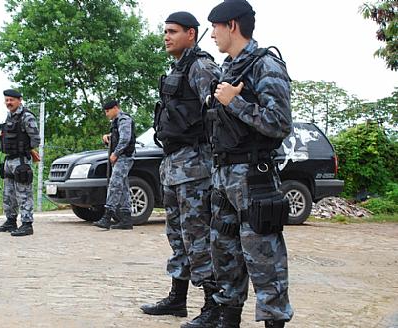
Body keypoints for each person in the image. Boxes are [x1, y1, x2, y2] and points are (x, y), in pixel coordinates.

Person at [206, 1, 294, 327]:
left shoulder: (265, 65)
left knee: (265, 260)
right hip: (224, 177)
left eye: (214, 27)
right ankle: (228, 319)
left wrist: (236, 102)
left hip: (253, 179)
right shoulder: (228, 69)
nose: (212, 34)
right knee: (225, 257)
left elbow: (279, 123)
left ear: (231, 25)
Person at [140, 12, 222, 328]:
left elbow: (217, 112)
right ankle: (177, 299)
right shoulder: (179, 67)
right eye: (165, 31)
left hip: (196, 167)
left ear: (191, 34)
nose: (166, 36)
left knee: (198, 238)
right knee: (177, 236)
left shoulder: (201, 66)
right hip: (174, 164)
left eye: (173, 31)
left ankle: (212, 308)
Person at [0, 89, 41, 237]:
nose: (8, 103)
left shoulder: (27, 117)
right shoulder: (10, 116)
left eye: (11, 100)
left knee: (24, 193)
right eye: (6, 100)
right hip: (9, 160)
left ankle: (27, 225)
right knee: (8, 194)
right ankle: (10, 221)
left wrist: (29, 151)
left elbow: (35, 139)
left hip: (21, 161)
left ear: (19, 100)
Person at [93, 100, 136, 230]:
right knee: (122, 187)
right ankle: (126, 219)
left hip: (124, 157)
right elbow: (119, 136)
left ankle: (107, 216)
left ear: (115, 108)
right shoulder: (117, 121)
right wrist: (108, 136)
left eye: (108, 111)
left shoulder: (124, 119)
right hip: (121, 157)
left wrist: (115, 153)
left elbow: (125, 139)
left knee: (115, 184)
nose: (106, 114)